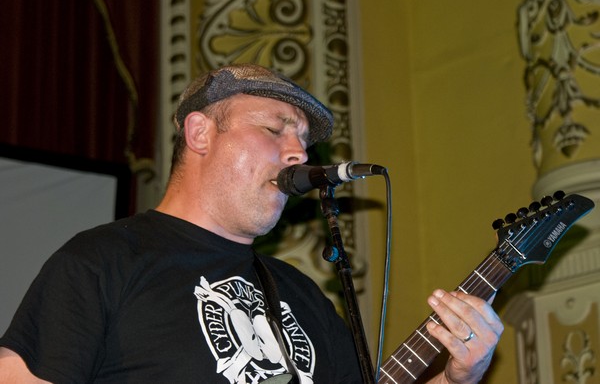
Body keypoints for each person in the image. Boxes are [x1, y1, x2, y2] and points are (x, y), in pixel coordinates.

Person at [0, 63, 503, 383]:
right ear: (200, 133)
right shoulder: (102, 261)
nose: (298, 153)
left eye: (303, 141)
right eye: (275, 129)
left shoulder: (304, 296)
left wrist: (456, 377)